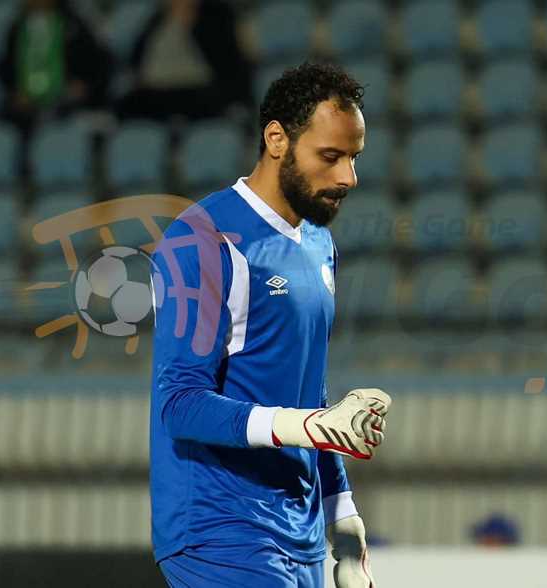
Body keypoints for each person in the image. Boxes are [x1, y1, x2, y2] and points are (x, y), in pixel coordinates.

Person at [149, 62, 389, 588]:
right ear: (277, 140)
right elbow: (179, 403)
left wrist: (342, 513)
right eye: (330, 156)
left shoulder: (319, 243)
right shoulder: (203, 240)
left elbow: (307, 394)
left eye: (353, 157)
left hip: (299, 533)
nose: (348, 177)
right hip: (219, 530)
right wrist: (302, 425)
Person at [0, 0, 112, 178]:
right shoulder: (18, 26)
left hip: (66, 99)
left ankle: (82, 173)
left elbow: (98, 62)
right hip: (27, 103)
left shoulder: (74, 24)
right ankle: (26, 176)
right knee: (8, 122)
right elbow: (5, 67)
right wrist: (15, 92)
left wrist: (83, 85)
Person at [114, 0, 253, 121]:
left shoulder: (216, 14)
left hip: (196, 89)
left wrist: (190, 22)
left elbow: (228, 62)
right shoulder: (157, 19)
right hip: (155, 90)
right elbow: (136, 61)